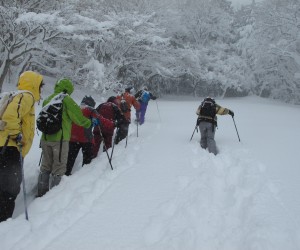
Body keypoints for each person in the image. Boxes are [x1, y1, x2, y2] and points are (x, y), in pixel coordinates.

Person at [37, 78, 94, 197]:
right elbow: (78, 117)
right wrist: (89, 123)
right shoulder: (66, 99)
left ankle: (41, 193)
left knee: (45, 166)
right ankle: (53, 198)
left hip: (45, 138)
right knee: (59, 167)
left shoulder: (48, 98)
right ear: (68, 89)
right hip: (60, 140)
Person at [0, 71, 44, 222]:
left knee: (5, 188)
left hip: (5, 147)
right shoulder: (27, 96)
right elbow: (10, 117)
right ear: (34, 84)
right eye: (40, 86)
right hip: (10, 149)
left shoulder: (17, 95)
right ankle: (4, 224)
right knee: (9, 190)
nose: (41, 89)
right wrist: (15, 135)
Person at [66, 96, 114, 176]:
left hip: (72, 139)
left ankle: (66, 177)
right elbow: (101, 120)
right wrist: (112, 124)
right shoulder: (91, 110)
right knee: (87, 163)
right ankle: (83, 177)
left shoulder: (76, 108)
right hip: (86, 139)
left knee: (69, 161)